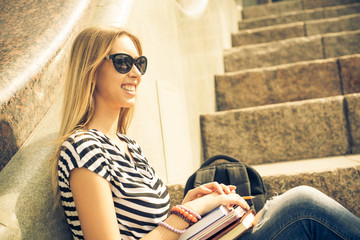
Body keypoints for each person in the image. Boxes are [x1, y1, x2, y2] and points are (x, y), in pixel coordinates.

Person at [53, 26, 360, 240]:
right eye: (123, 62)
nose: (135, 72)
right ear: (91, 70)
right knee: (302, 207)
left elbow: (150, 226)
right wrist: (192, 209)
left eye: (139, 63)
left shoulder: (127, 144)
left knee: (281, 205)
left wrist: (192, 199)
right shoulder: (82, 149)